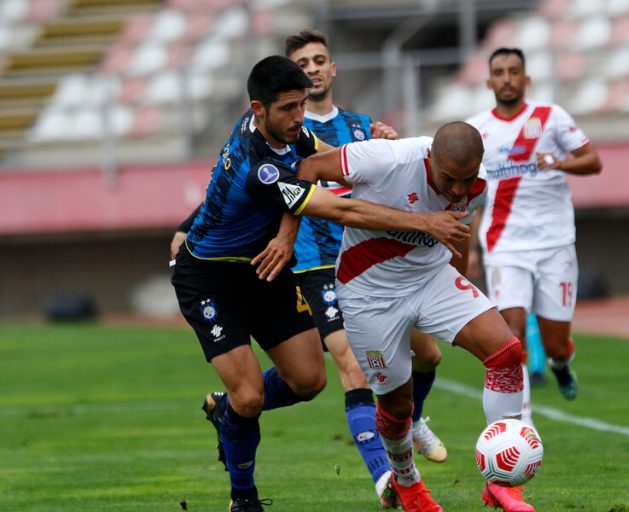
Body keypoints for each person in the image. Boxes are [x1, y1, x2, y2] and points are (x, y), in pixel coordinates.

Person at [170, 55, 470, 512]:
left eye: (301, 105)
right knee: (250, 395)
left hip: (261, 266)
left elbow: (328, 163)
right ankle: (243, 498)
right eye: (288, 108)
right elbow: (341, 209)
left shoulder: (281, 131)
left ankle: (226, 413)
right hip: (208, 278)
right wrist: (423, 222)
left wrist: (378, 150)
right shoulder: (259, 169)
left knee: (309, 381)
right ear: (258, 108)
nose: (298, 117)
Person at [297, 121, 535, 512]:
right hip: (367, 291)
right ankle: (406, 483)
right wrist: (287, 236)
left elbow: (457, 233)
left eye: (467, 178)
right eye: (448, 179)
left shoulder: (478, 185)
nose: (458, 189)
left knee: (506, 353)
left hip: (430, 278)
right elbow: (307, 170)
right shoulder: (387, 157)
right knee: (397, 407)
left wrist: (461, 307)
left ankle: (501, 481)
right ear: (431, 159)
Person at [284, 29, 447, 504]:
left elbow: (394, 173)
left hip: (375, 262)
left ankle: (414, 420)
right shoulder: (287, 133)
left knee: (430, 357)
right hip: (317, 267)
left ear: (333, 69)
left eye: (320, 60)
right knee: (353, 368)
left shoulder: (362, 127)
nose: (313, 68)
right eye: (303, 63)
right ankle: (385, 477)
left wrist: (390, 145)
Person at [465, 47, 603, 427]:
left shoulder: (550, 117)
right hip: (505, 246)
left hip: (555, 244)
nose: (507, 78)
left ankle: (562, 364)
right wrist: (473, 245)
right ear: (489, 81)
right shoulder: (477, 129)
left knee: (556, 343)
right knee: (512, 337)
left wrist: (560, 163)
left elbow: (594, 161)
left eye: (514, 71)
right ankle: (521, 426)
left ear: (526, 79)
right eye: (499, 72)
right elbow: (476, 194)